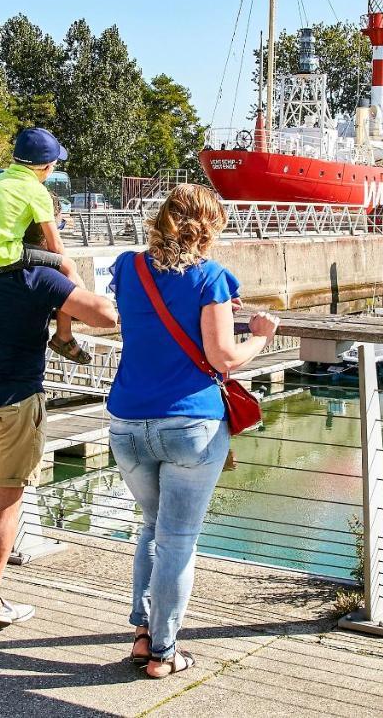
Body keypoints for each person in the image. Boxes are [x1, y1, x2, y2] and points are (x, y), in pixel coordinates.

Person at [105, 184, 279, 678]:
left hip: (127, 421)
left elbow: (147, 316)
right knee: (178, 538)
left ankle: (142, 634)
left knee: (151, 527)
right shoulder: (212, 279)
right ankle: (163, 653)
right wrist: (261, 338)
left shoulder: (128, 266)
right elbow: (223, 358)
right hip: (190, 424)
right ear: (211, 228)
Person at [0, 220, 118, 629]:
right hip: (16, 401)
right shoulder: (40, 277)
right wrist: (69, 271)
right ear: (44, 236)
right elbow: (105, 315)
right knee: (9, 501)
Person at [0, 127, 89, 365]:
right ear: (47, 167)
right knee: (67, 265)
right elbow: (55, 244)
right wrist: (75, 284)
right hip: (3, 255)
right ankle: (64, 336)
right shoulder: (36, 191)